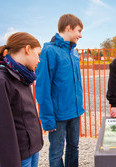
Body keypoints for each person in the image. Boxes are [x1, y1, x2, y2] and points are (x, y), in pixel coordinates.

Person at [35, 14, 85, 167]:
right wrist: (48, 118)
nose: (80, 35)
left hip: (75, 112)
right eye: (78, 30)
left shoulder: (74, 52)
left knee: (74, 147)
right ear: (68, 28)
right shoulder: (49, 51)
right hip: (58, 115)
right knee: (57, 152)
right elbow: (42, 87)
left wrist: (79, 108)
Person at [0, 32, 43, 167]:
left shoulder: (22, 75)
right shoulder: (0, 79)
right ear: (27, 49)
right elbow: (2, 129)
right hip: (18, 155)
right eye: (38, 55)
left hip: (31, 149)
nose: (39, 60)